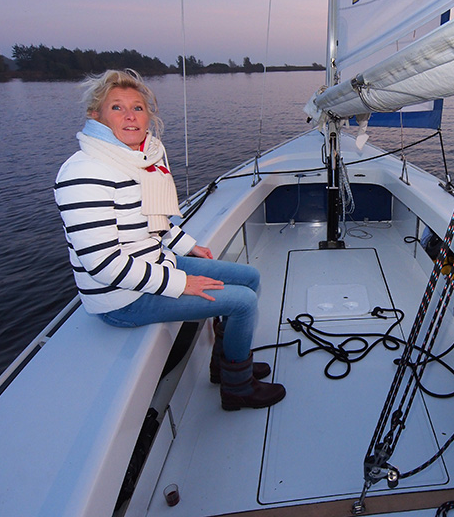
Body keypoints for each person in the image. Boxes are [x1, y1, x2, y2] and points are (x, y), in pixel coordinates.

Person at [54, 69, 285, 411]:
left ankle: (226, 362)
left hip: (154, 262)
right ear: (96, 116)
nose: (130, 115)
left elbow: (154, 218)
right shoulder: (84, 172)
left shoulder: (142, 159)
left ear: (149, 115)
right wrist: (181, 283)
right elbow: (103, 265)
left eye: (138, 107)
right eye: (117, 107)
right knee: (242, 302)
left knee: (250, 278)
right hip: (121, 297)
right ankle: (238, 387)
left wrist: (185, 246)